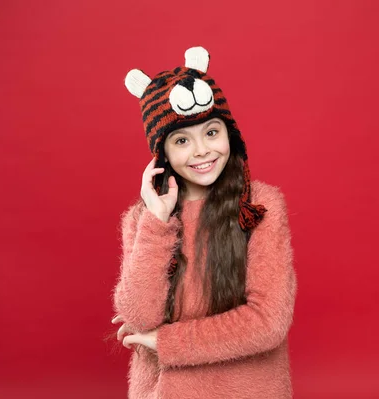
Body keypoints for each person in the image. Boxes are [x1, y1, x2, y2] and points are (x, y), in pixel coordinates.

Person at [111, 46, 298, 399]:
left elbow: (267, 322)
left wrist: (166, 342)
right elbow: (139, 315)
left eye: (211, 133)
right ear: (161, 153)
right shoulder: (145, 218)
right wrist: (157, 221)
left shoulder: (258, 206)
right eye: (182, 140)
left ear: (230, 134)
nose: (201, 150)